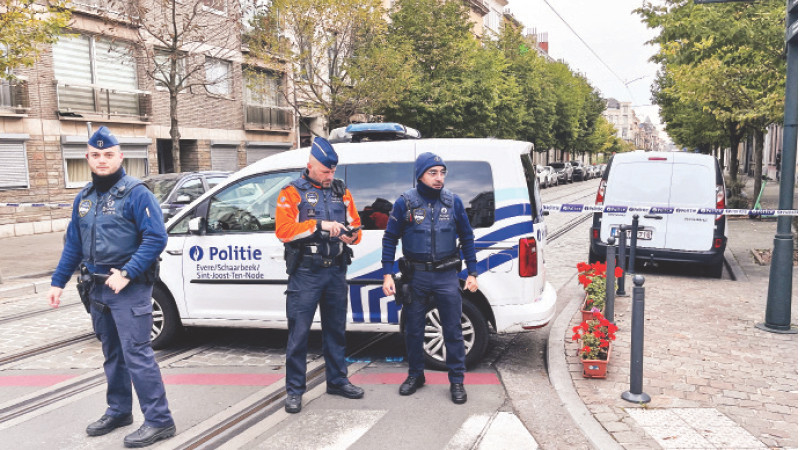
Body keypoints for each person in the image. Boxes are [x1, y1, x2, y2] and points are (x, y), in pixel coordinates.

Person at [47, 126, 175, 448]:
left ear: (120, 156)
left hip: (128, 288)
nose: (102, 160)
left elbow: (156, 238)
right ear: (87, 158)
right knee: (112, 354)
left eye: (108, 154)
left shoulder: (137, 193)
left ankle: (160, 420)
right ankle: (119, 410)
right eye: (95, 155)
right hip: (98, 288)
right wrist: (57, 282)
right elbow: (73, 246)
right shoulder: (85, 198)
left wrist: (128, 272)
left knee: (137, 354)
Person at [275, 136, 364, 414]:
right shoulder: (291, 192)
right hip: (306, 272)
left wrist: (351, 236)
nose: (330, 175)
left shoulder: (341, 191)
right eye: (326, 171)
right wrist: (319, 226)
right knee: (299, 335)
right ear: (310, 165)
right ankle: (294, 391)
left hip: (336, 270)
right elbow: (284, 230)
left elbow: (357, 228)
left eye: (333, 170)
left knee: (336, 331)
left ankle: (337, 381)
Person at [381, 152, 479, 404]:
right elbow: (390, 238)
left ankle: (457, 380)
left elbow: (467, 238)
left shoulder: (453, 202)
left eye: (442, 172)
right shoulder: (405, 203)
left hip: (447, 276)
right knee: (413, 330)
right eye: (432, 173)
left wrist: (473, 272)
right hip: (416, 277)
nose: (439, 178)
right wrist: (387, 274)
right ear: (420, 175)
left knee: (453, 330)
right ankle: (416, 375)